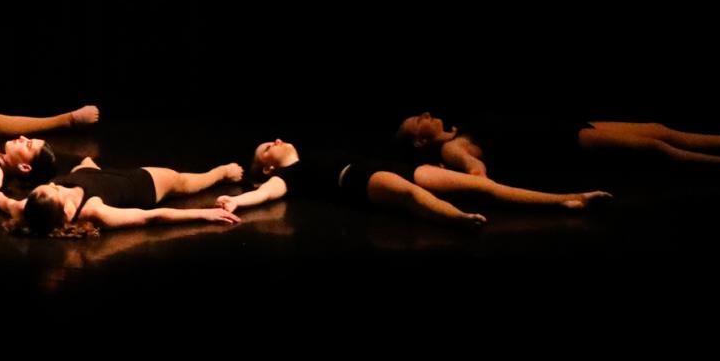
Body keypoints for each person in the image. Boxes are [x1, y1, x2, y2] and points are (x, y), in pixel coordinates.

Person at [217, 137, 612, 228]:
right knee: (410, 195)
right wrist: (239, 203)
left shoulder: (314, 150)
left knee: (485, 186)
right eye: (268, 146)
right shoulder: (288, 176)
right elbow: (267, 192)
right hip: (358, 180)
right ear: (267, 166)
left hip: (383, 165)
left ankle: (567, 198)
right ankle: (459, 218)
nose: (278, 141)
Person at [396, 113, 720, 173]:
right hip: (561, 144)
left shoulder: (460, 126)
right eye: (419, 120)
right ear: (418, 141)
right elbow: (475, 171)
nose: (427, 115)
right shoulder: (451, 148)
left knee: (656, 128)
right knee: (654, 150)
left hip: (566, 124)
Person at [0, 156, 245, 236]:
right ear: (68, 212)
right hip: (141, 184)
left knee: (84, 168)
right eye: (56, 189)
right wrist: (204, 214)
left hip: (91, 175)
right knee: (186, 181)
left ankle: (88, 168)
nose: (56, 185)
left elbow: (0, 199)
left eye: (50, 185)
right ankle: (219, 173)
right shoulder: (95, 211)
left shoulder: (29, 207)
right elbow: (150, 218)